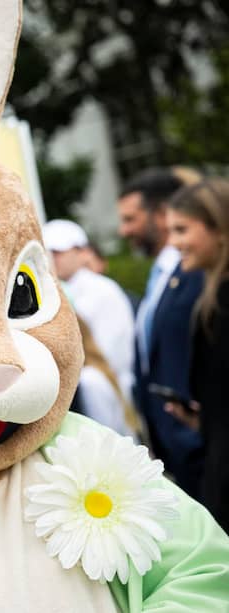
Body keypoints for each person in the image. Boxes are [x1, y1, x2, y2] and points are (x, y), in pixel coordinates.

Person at [118, 167, 204, 497]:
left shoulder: (196, 274)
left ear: (162, 212)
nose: (124, 231)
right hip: (177, 449)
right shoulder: (161, 277)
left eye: (131, 219)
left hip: (199, 441)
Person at [164, 177, 229, 531]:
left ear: (218, 227)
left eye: (182, 229)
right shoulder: (212, 299)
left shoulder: (221, 303)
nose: (173, 242)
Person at [42, 219, 135, 397]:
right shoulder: (58, 290)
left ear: (83, 252)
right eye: (48, 252)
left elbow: (111, 354)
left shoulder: (102, 290)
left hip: (107, 387)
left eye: (58, 252)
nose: (52, 259)